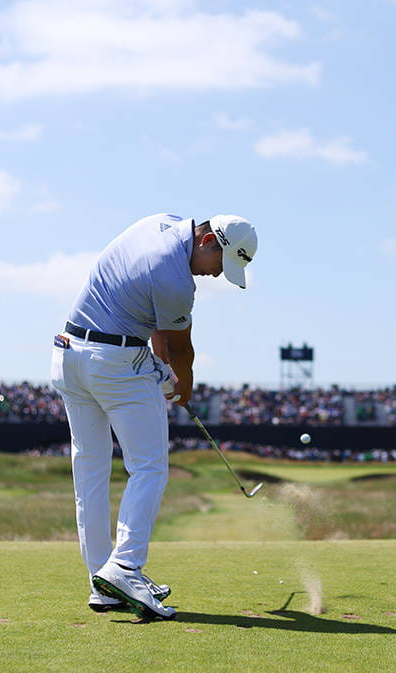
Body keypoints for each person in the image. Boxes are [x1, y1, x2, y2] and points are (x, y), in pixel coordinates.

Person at [50, 213, 257, 620]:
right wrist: (182, 386)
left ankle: (103, 582)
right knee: (149, 468)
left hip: (69, 353)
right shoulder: (178, 283)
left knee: (90, 471)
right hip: (114, 363)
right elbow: (180, 350)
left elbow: (153, 323)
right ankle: (125, 567)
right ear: (209, 241)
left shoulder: (161, 222)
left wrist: (160, 369)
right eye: (221, 265)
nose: (217, 275)